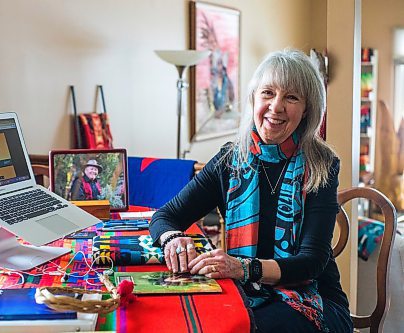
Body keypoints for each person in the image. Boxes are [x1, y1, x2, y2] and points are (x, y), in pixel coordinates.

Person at [149, 49, 352, 333]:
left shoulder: (322, 164)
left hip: (314, 298)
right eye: (268, 93)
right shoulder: (229, 160)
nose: (276, 106)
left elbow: (312, 262)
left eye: (291, 97)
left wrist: (244, 269)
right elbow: (166, 215)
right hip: (242, 293)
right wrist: (172, 239)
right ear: (254, 99)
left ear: (307, 109)